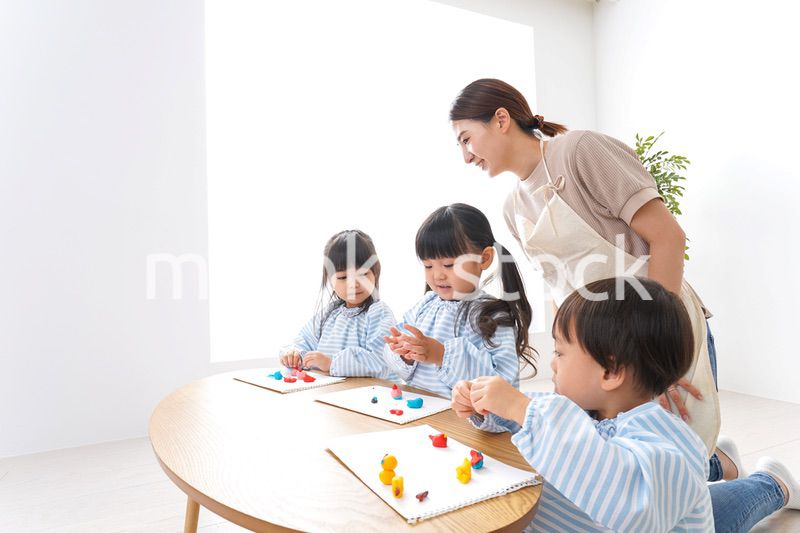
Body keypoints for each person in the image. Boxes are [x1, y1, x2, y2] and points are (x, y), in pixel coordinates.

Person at [449, 77, 719, 455]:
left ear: (501, 119)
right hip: (602, 346)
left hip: (662, 327)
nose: (466, 156)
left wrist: (656, 353)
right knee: (611, 459)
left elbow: (668, 238)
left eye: (466, 139)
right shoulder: (513, 208)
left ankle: (749, 472)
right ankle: (725, 462)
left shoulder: (579, 152)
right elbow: (559, 287)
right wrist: (564, 357)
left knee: (677, 460)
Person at [453, 278, 799, 532]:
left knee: (722, 517)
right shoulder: (570, 409)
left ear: (611, 371)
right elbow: (523, 422)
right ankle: (722, 463)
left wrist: (521, 408)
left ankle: (772, 484)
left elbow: (626, 499)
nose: (552, 364)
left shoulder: (670, 447)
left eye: (560, 352)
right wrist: (483, 405)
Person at [382, 203, 535, 399]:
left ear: (484, 258)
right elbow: (394, 356)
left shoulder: (493, 314)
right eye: (428, 266)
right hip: (421, 409)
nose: (437, 275)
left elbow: (502, 382)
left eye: (448, 265)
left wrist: (441, 355)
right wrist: (405, 354)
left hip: (464, 416)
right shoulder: (424, 305)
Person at [279, 229, 395, 378]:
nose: (353, 284)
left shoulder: (378, 313)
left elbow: (381, 362)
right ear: (330, 279)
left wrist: (332, 363)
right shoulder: (329, 313)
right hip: (334, 390)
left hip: (372, 390)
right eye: (342, 277)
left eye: (362, 274)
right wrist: (295, 354)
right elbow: (304, 342)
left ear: (375, 272)